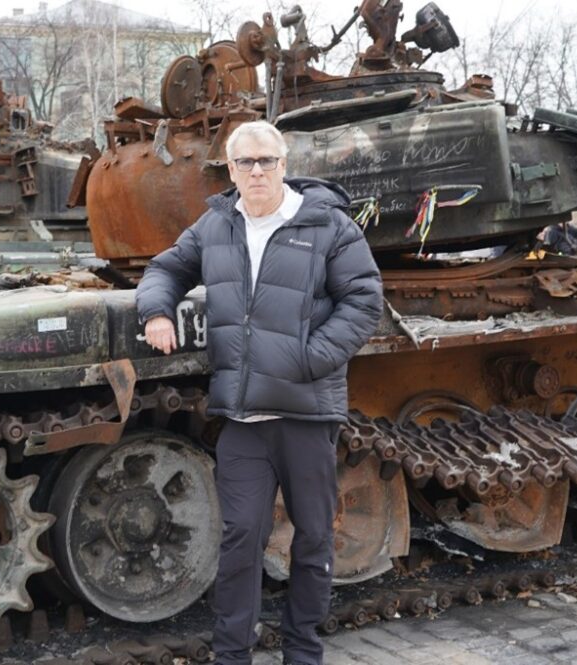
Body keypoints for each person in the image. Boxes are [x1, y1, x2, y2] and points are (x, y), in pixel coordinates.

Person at [135, 121, 383, 665]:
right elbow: (164, 268)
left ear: (283, 164)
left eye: (266, 160)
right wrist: (156, 311)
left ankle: (302, 651)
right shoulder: (216, 224)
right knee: (240, 538)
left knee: (313, 537)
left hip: (306, 415)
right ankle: (232, 655)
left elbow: (365, 301)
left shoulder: (327, 224)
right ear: (230, 169)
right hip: (244, 418)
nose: (256, 171)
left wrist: (306, 360)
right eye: (244, 162)